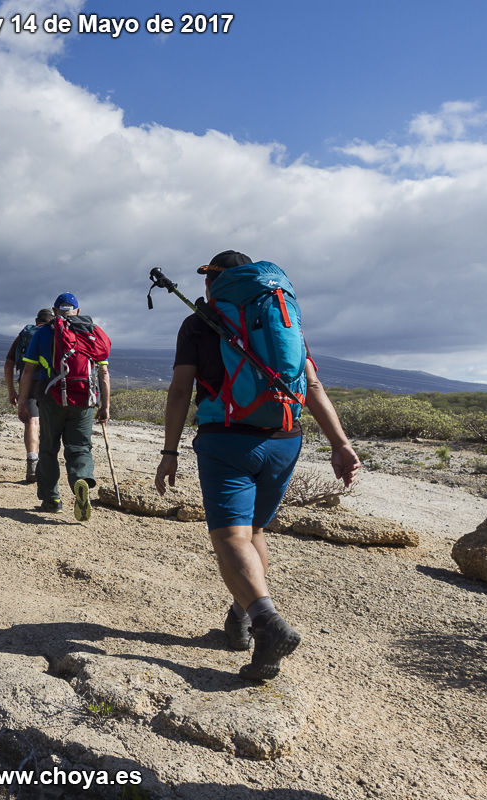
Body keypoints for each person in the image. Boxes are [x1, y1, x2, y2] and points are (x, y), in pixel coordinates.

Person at [153, 249, 361, 681]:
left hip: (226, 441)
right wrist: (340, 444)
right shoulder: (281, 318)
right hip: (286, 439)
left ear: (214, 281)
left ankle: (267, 623)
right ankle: (241, 619)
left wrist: (169, 451)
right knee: (255, 531)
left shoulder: (197, 323)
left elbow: (179, 391)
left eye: (209, 278)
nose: (206, 286)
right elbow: (313, 385)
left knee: (230, 535)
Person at [18, 293, 111, 521]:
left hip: (52, 399)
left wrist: (22, 401)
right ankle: (81, 480)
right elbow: (104, 372)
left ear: (55, 310)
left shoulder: (42, 333)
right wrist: (105, 405)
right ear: (77, 311)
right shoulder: (91, 331)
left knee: (48, 448)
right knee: (79, 447)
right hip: (85, 400)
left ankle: (52, 500)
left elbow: (28, 370)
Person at [5, 308, 56, 483]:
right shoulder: (54, 334)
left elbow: (8, 364)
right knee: (51, 423)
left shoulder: (24, 335)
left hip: (28, 383)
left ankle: (32, 464)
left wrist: (12, 391)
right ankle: (48, 466)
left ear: (36, 320)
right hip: (51, 384)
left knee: (32, 422)